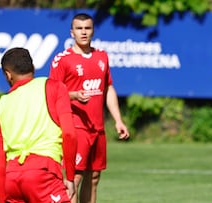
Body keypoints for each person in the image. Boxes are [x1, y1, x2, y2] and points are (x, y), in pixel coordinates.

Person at [49, 13, 130, 203]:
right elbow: (51, 93)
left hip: (97, 128)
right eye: (79, 28)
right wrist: (74, 95)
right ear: (72, 32)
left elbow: (108, 87)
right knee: (74, 178)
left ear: (93, 30)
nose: (83, 32)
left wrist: (118, 120)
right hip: (75, 128)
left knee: (93, 178)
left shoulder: (101, 56)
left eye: (87, 28)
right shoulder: (62, 59)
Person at [0, 47, 77, 202]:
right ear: (33, 67)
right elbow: (69, 134)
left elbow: (0, 156)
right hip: (43, 174)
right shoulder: (53, 87)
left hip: (11, 180)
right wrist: (71, 176)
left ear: (8, 75)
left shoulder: (2, 103)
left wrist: (2, 196)